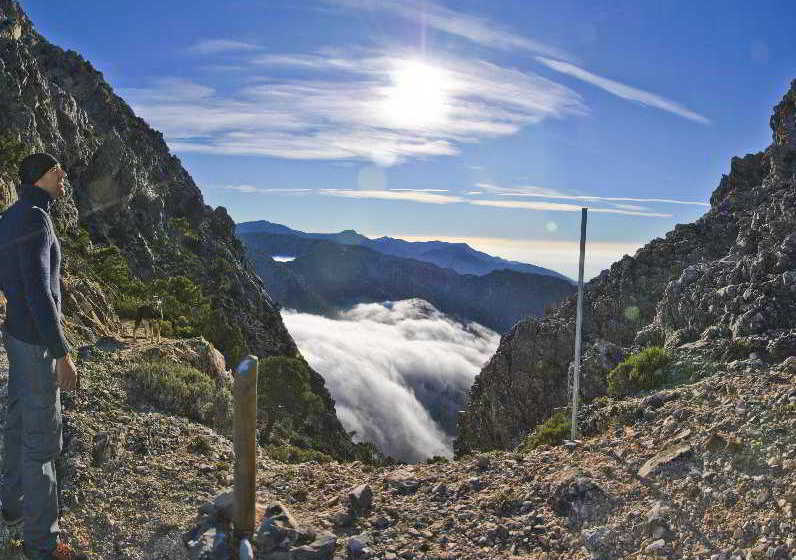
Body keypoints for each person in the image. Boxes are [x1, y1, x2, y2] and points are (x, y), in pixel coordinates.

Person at [0, 153, 87, 559]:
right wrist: (60, 352)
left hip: (15, 336)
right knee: (42, 443)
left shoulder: (11, 215)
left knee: (18, 422)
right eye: (57, 170)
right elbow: (40, 291)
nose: (63, 174)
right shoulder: (36, 217)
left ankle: (13, 507)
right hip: (36, 344)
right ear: (40, 177)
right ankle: (42, 544)